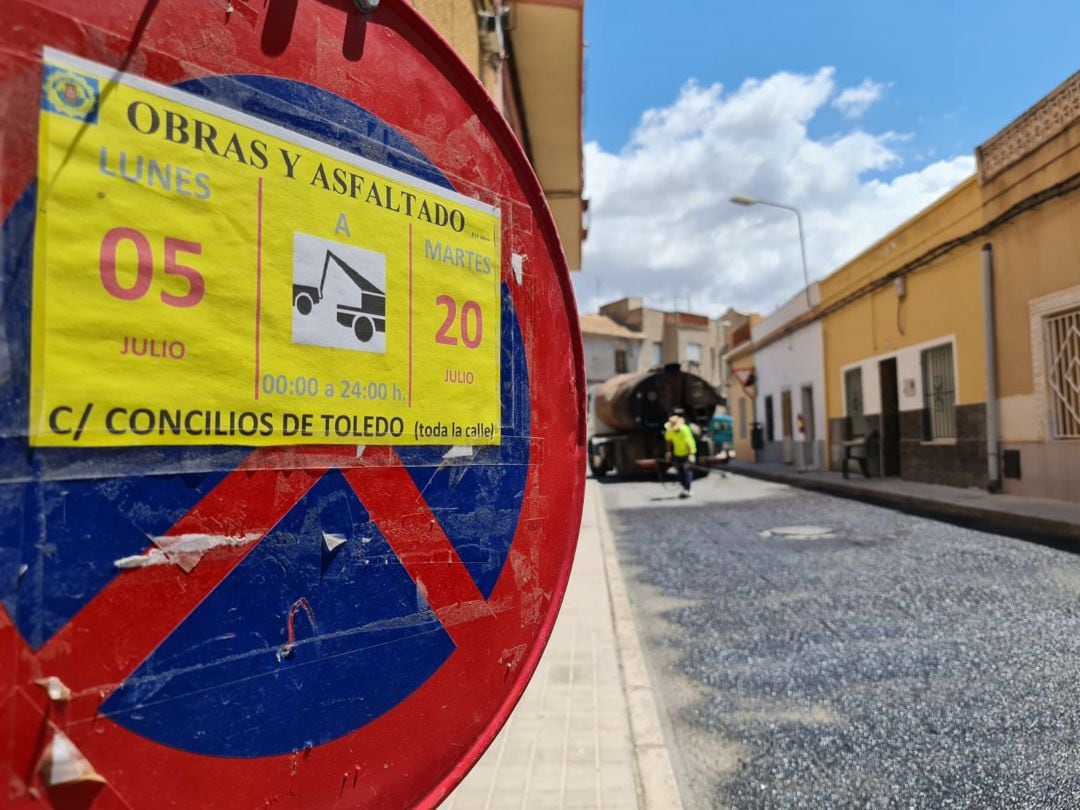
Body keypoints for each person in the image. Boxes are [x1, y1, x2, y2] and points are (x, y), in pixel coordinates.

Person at [664, 410, 696, 498]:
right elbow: (668, 441)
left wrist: (691, 455)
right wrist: (668, 452)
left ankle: (688, 489)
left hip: (687, 452)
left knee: (686, 471)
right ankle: (684, 488)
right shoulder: (670, 431)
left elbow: (689, 443)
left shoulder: (684, 430)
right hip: (677, 453)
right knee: (679, 472)